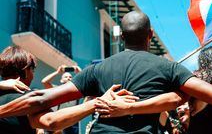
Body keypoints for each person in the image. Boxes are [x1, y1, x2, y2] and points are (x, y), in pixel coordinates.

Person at [0, 11, 212, 134]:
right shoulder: (169, 68)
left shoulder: (96, 70)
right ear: (150, 35)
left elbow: (41, 100)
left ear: (121, 36)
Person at [0, 46, 135, 134]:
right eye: (32, 69)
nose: (33, 74)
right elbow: (50, 121)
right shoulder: (27, 98)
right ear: (25, 71)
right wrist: (98, 103)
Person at [42, 65, 82, 134]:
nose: (68, 78)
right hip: (61, 121)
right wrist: (57, 72)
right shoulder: (58, 89)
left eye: (70, 77)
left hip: (73, 123)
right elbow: (44, 82)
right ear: (61, 80)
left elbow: (88, 81)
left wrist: (80, 72)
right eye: (66, 77)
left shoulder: (77, 90)